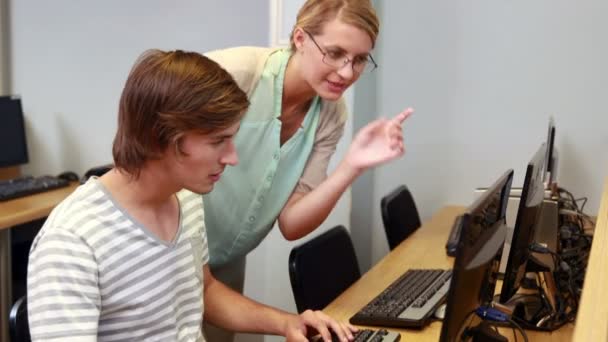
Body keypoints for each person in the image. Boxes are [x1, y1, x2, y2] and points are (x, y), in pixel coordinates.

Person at [27, 49, 357, 342]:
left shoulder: (185, 198)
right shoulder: (72, 241)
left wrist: (287, 323)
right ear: (163, 138)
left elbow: (204, 290)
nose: (232, 157)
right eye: (218, 142)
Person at [203, 1, 412, 338]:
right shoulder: (233, 74)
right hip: (164, 251)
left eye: (359, 60)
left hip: (224, 266)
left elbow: (292, 223)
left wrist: (351, 166)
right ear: (300, 38)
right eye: (335, 52)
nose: (347, 72)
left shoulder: (331, 113)